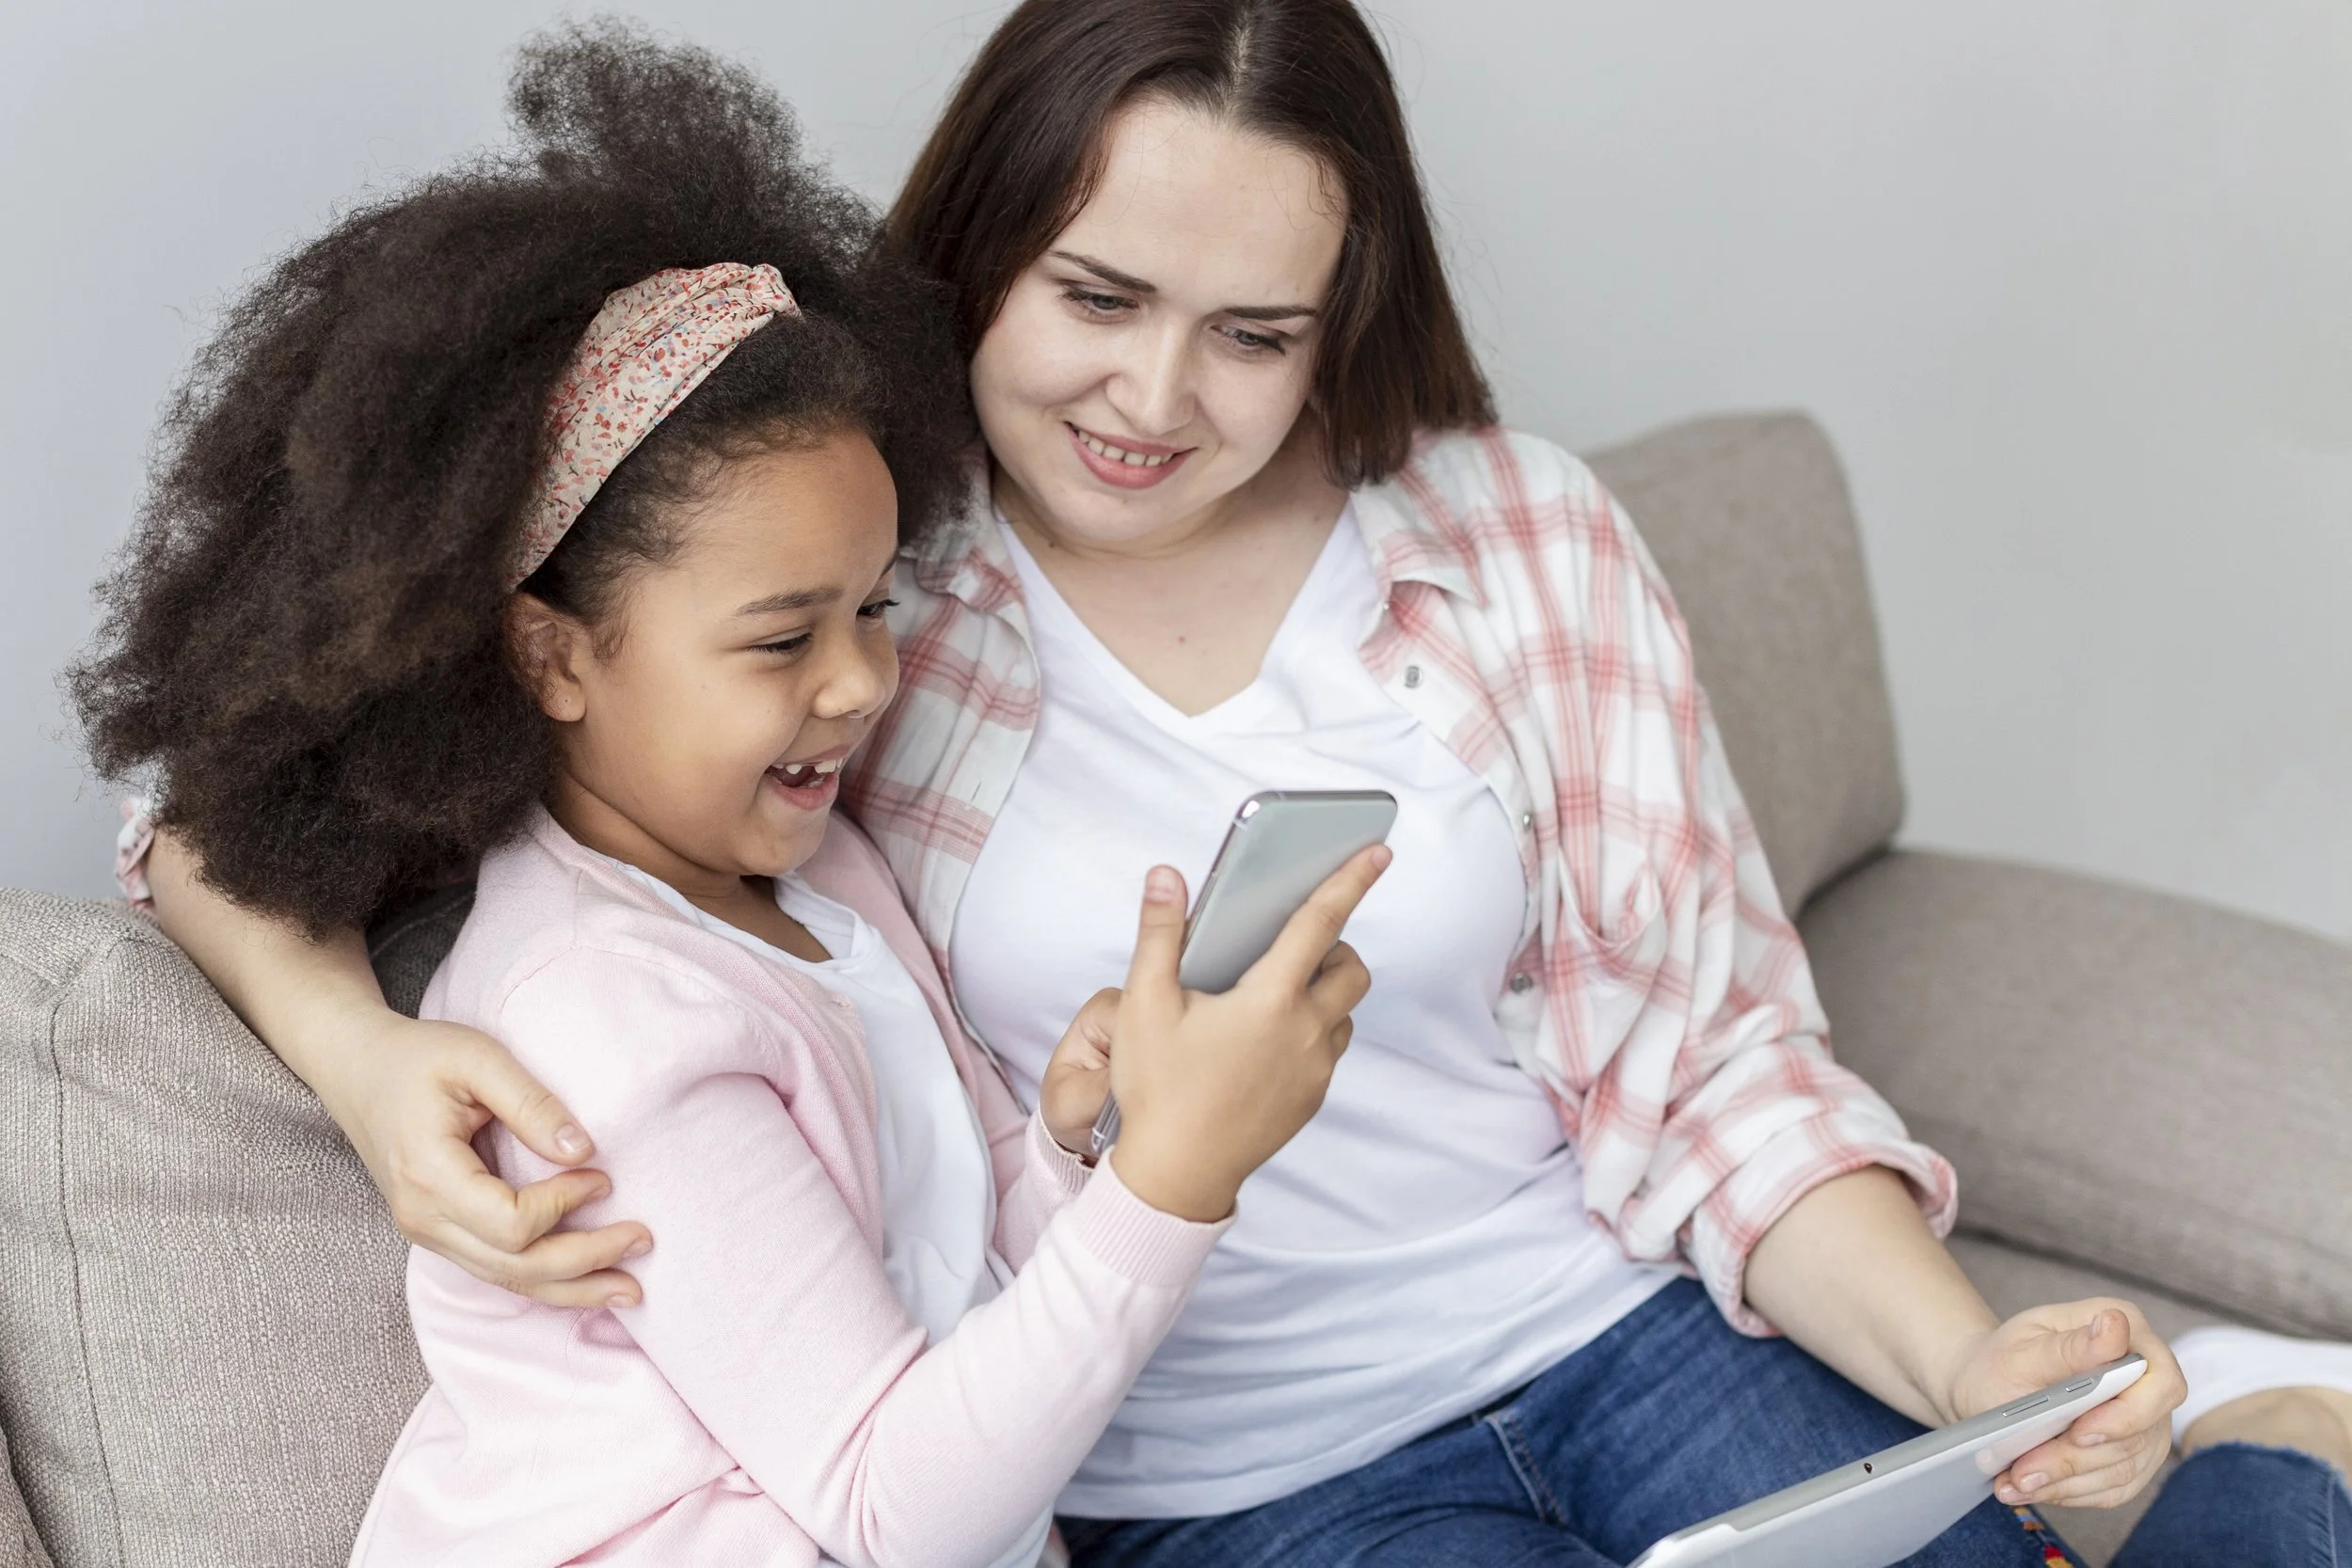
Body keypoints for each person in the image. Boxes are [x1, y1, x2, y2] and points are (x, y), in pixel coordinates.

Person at [114, 3, 2352, 1564]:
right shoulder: (845, 582)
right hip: (1240, 1471)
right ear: (977, 243)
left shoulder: (1513, 537)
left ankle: (2237, 1459)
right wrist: (368, 1058)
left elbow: (1709, 1061)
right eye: (1095, 292)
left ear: (1342, 319)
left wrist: (1977, 1363)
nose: (1153, 402)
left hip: (1625, 1325)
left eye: (1253, 336)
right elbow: (244, 804)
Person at [74, 28, 1386, 1568]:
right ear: (551, 654)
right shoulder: (607, 1014)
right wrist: (1181, 1184)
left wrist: (1084, 1147)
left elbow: (954, 1307)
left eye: (874, 607)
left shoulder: (821, 877)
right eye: (782, 637)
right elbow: (901, 1509)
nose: (859, 682)